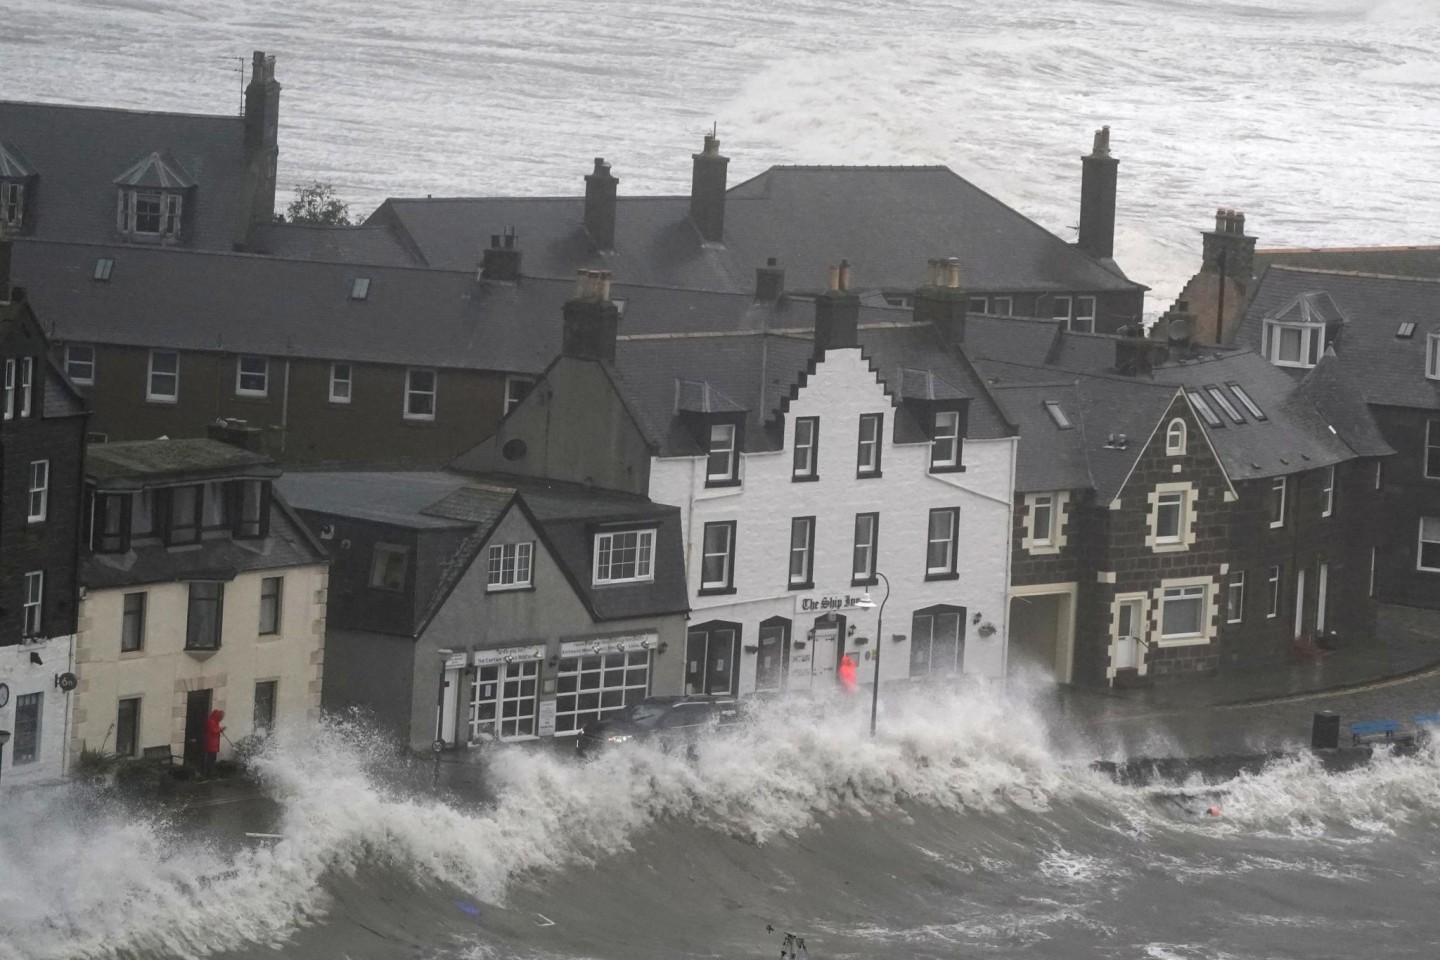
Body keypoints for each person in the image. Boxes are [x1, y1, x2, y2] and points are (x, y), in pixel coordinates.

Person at [203, 709, 225, 777]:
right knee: (210, 759)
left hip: (214, 744)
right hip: (211, 744)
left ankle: (211, 773)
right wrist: (220, 729)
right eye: (220, 717)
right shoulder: (211, 722)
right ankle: (209, 774)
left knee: (213, 759)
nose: (220, 719)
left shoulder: (215, 722)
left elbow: (215, 730)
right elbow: (214, 730)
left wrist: (220, 729)